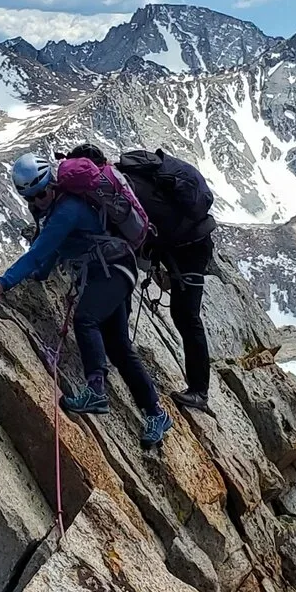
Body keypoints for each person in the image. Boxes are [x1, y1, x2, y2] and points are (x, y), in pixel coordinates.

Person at [0, 152, 174, 448]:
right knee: (119, 348)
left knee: (86, 319)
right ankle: (156, 414)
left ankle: (96, 390)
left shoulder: (67, 210)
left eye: (42, 193)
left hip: (112, 271)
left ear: (51, 183)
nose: (38, 201)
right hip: (113, 270)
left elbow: (39, 250)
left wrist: (5, 281)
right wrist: (40, 275)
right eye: (32, 198)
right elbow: (50, 250)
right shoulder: (55, 211)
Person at [114, 147, 219, 411]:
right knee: (184, 315)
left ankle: (199, 391)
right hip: (191, 244)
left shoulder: (128, 188)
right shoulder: (135, 180)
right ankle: (197, 389)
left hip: (190, 249)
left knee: (186, 316)